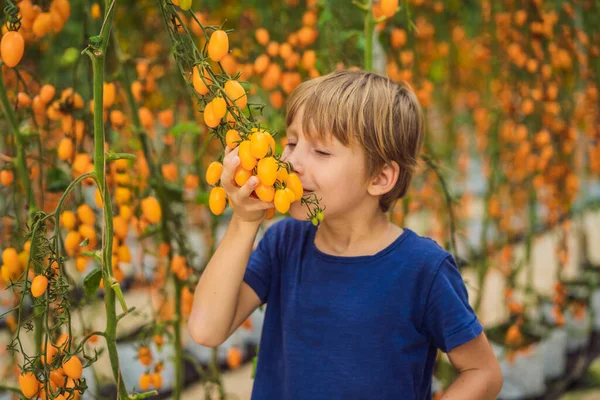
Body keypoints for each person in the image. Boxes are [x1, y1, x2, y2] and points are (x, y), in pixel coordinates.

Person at [189, 69, 503, 399]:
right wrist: (243, 220)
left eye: (321, 152)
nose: (291, 162)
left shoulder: (423, 270)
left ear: (380, 178)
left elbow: (483, 372)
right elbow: (206, 329)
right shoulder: (284, 244)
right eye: (292, 143)